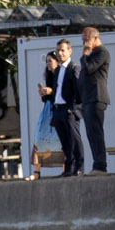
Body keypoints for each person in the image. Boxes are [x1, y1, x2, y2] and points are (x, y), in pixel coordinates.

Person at [44, 38, 87, 178]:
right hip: (58, 109)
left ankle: (79, 168)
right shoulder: (58, 70)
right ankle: (69, 169)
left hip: (69, 110)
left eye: (62, 50)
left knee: (74, 139)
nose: (60, 53)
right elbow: (57, 91)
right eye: (58, 50)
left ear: (70, 50)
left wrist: (73, 109)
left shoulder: (74, 68)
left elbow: (79, 91)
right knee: (65, 141)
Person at [84, 26, 111, 173]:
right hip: (88, 98)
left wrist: (86, 53)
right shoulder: (93, 54)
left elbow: (88, 69)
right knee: (91, 133)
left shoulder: (102, 52)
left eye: (86, 40)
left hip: (97, 97)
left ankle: (100, 166)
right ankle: (97, 164)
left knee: (96, 132)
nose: (84, 43)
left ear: (95, 38)